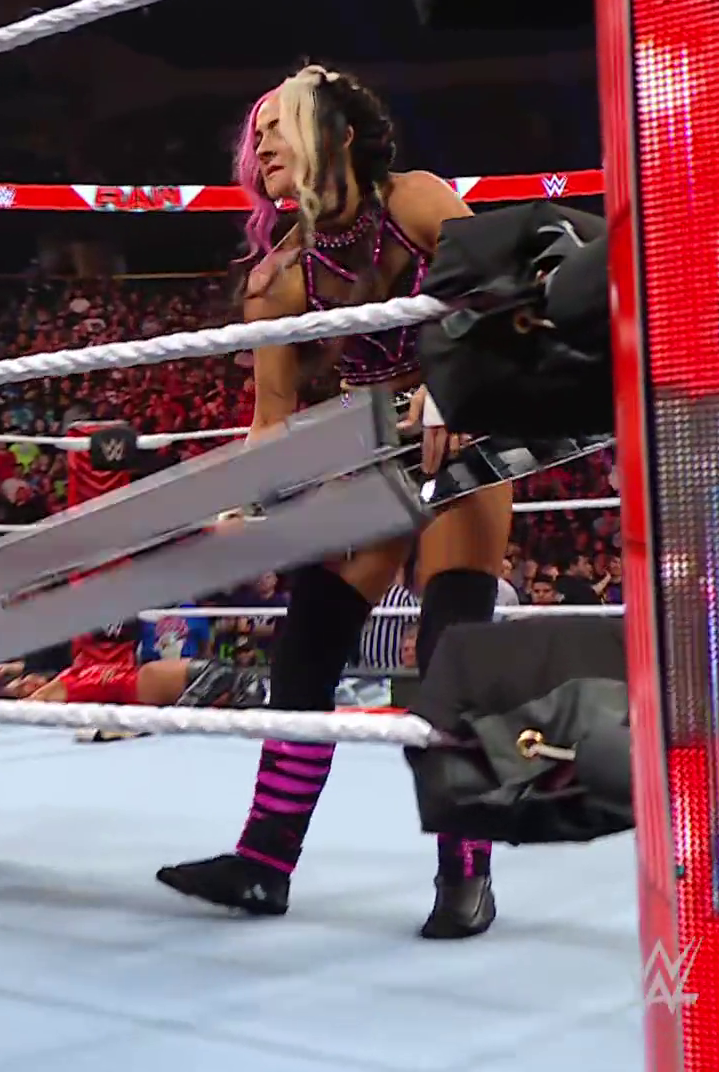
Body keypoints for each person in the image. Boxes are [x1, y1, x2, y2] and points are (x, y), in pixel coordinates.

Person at [155, 64, 505, 940]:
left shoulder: (416, 201)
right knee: (307, 642)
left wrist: (453, 383)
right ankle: (265, 861)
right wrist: (244, 506)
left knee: (451, 650)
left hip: (459, 437)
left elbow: (502, 291)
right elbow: (271, 420)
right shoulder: (276, 279)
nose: (262, 141)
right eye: (257, 132)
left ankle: (466, 871)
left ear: (339, 133)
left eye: (281, 122)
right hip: (368, 454)